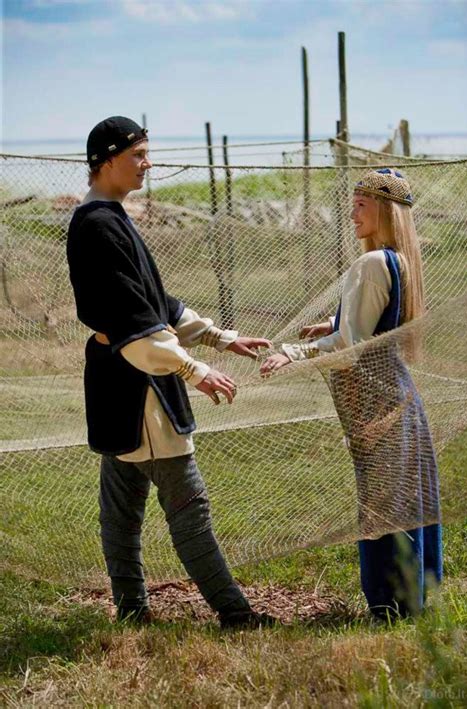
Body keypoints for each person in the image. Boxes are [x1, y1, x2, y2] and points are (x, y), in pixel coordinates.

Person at [67, 116, 275, 628]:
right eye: (138, 154)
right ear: (108, 159)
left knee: (121, 508)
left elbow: (153, 302)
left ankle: (133, 612)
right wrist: (192, 369)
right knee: (188, 509)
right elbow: (131, 322)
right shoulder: (97, 223)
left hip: (122, 385)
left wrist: (220, 337)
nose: (147, 163)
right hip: (140, 391)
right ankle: (234, 614)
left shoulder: (108, 216)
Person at [260, 168, 443, 620]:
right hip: (400, 396)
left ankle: (392, 606)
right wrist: (336, 322)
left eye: (361, 204)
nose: (352, 212)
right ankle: (417, 598)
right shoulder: (399, 260)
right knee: (406, 500)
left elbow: (349, 351)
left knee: (383, 505)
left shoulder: (370, 263)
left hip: (377, 403)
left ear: (385, 210)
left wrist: (293, 352)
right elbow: (376, 327)